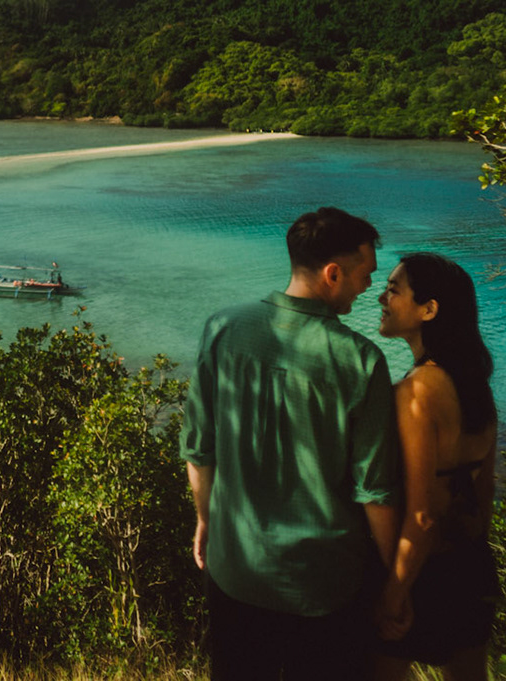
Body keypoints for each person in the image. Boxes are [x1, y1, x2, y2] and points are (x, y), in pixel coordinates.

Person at [181, 206, 401, 679]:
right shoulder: (361, 360)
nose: (371, 289)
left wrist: (206, 520)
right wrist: (395, 579)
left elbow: (200, 449)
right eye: (366, 275)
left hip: (236, 569)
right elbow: (375, 491)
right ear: (333, 273)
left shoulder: (222, 328)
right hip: (324, 585)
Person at [373, 253, 499, 680]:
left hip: (422, 569)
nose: (381, 297)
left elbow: (422, 514)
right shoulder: (476, 387)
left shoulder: (416, 392)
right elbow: (485, 494)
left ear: (429, 309)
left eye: (393, 289)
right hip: (471, 562)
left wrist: (394, 592)